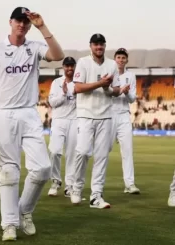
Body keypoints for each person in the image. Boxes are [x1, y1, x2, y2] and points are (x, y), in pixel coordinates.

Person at [0, 7, 64, 241]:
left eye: (25, 22)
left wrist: (42, 26)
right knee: (9, 172)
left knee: (42, 169)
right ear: (10, 22)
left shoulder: (34, 47)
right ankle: (9, 224)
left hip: (29, 114)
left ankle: (24, 211)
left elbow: (58, 55)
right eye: (18, 20)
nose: (22, 24)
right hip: (3, 115)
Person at [70, 33, 120, 209]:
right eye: (96, 44)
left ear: (105, 46)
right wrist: (100, 84)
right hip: (85, 114)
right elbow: (77, 87)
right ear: (90, 46)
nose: (99, 47)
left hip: (105, 115)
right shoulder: (83, 62)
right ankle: (76, 188)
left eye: (102, 44)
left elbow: (116, 91)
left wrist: (107, 87)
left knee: (101, 157)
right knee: (83, 152)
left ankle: (96, 196)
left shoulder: (112, 65)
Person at [47, 57, 77, 197]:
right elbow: (52, 103)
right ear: (63, 67)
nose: (70, 69)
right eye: (67, 66)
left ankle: (69, 185)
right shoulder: (56, 82)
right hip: (59, 120)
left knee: (72, 154)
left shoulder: (79, 82)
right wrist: (64, 93)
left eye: (72, 66)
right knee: (54, 151)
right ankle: (55, 181)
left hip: (74, 120)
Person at [111, 48, 140, 194]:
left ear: (126, 60)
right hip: (108, 115)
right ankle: (97, 186)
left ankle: (130, 184)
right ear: (114, 59)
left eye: (123, 58)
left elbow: (132, 99)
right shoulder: (109, 73)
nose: (121, 60)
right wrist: (119, 91)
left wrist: (127, 92)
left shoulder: (131, 76)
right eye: (118, 57)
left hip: (123, 116)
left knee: (127, 151)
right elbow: (106, 94)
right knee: (102, 151)